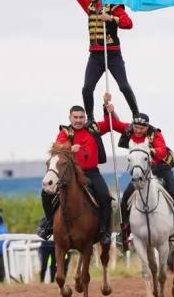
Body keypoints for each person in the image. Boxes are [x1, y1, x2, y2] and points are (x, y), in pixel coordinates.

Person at [60, 0, 139, 121]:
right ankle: (90, 119)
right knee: (87, 88)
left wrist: (110, 18)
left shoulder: (114, 7)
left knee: (123, 86)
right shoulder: (89, 7)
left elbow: (128, 23)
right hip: (95, 56)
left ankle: (136, 114)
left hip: (113, 55)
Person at [110, 102, 174, 250]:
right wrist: (109, 110)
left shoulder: (156, 134)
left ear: (147, 127)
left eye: (141, 128)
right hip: (140, 171)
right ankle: (125, 232)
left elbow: (162, 150)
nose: (138, 130)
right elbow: (115, 125)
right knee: (124, 199)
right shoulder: (130, 129)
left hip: (161, 168)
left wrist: (150, 151)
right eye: (136, 127)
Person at [37, 100, 117, 246]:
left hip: (92, 172)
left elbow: (110, 123)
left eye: (81, 117)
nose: (78, 120)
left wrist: (108, 109)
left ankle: (104, 231)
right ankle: (48, 224)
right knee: (46, 193)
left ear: (85, 118)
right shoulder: (65, 132)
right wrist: (69, 148)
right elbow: (58, 148)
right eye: (75, 117)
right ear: (70, 118)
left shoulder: (93, 128)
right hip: (72, 174)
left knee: (105, 197)